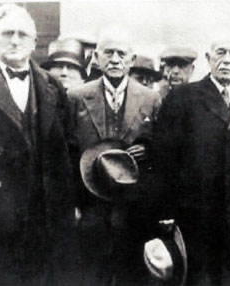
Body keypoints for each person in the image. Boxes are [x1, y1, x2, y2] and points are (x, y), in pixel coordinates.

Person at [0, 4, 77, 285]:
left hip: (42, 220)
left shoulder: (52, 86)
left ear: (34, 42)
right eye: (7, 33)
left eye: (22, 34)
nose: (15, 40)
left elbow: (66, 151)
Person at [151, 33, 230, 285]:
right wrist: (166, 211)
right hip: (195, 219)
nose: (226, 60)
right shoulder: (183, 99)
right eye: (220, 53)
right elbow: (164, 159)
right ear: (208, 58)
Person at [67, 26, 161, 285]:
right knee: (91, 275)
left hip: (135, 210)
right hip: (91, 210)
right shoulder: (75, 98)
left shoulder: (152, 99)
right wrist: (74, 205)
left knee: (133, 275)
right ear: (96, 58)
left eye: (122, 53)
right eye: (108, 52)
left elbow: (163, 152)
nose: (116, 59)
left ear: (132, 59)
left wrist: (149, 150)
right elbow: (67, 153)